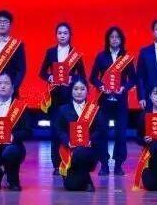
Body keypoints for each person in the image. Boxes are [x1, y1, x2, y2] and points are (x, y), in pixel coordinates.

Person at [38, 22, 86, 173]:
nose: (62, 35)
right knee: (55, 131)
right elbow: (42, 72)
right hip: (54, 98)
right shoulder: (51, 52)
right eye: (59, 33)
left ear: (70, 35)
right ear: (56, 35)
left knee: (70, 130)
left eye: (65, 33)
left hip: (70, 98)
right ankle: (56, 164)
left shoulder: (75, 54)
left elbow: (82, 76)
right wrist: (50, 77)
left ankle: (71, 162)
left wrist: (73, 79)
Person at [90, 26, 137, 176]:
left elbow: (133, 79)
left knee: (120, 134)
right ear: (108, 39)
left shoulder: (126, 58)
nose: (115, 39)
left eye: (117, 37)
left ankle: (118, 165)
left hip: (120, 101)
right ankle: (104, 164)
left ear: (121, 40)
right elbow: (93, 77)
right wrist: (101, 86)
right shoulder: (101, 56)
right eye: (112, 37)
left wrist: (124, 88)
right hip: (104, 101)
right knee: (102, 132)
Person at [55, 77, 107, 192]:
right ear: (71, 90)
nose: (79, 92)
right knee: (71, 186)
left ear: (87, 91)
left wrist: (90, 140)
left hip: (89, 150)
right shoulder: (63, 109)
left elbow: (101, 129)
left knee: (81, 152)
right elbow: (59, 130)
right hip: (69, 150)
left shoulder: (94, 109)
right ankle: (86, 180)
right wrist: (67, 141)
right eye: (76, 89)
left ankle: (85, 180)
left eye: (82, 89)